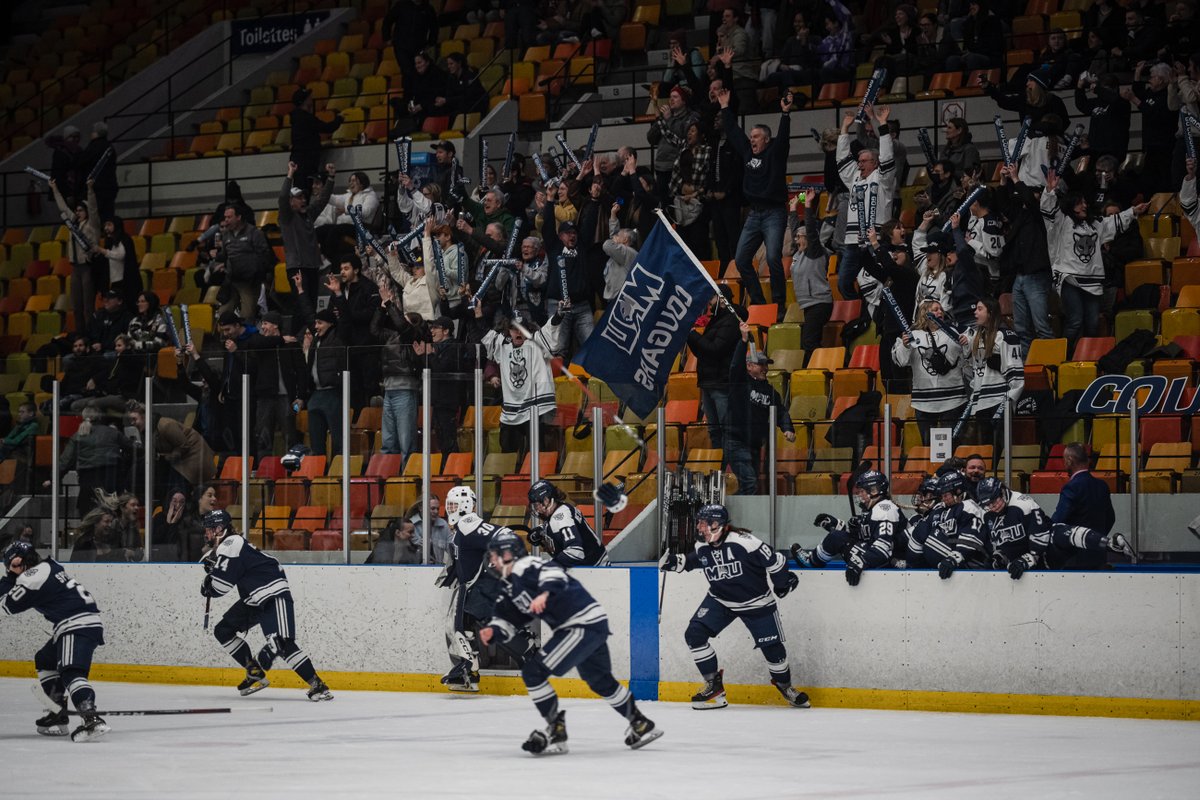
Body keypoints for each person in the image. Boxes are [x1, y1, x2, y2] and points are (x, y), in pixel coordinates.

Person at [481, 530, 662, 753]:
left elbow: (554, 574)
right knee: (599, 680)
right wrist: (494, 632)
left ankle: (556, 728)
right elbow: (509, 620)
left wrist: (544, 594)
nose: (491, 560)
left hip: (579, 626)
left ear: (510, 554)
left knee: (533, 673)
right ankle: (640, 723)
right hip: (592, 623)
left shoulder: (526, 565)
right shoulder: (508, 587)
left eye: (496, 554)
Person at [660, 503, 807, 710]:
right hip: (720, 599)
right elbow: (696, 559)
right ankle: (714, 687)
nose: (700, 528)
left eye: (704, 523)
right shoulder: (702, 544)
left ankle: (785, 686)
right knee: (694, 635)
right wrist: (675, 562)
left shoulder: (745, 542)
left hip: (756, 602)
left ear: (717, 524)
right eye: (699, 523)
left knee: (772, 649)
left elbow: (777, 561)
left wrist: (781, 585)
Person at [200, 510, 333, 701]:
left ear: (220, 528)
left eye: (209, 529)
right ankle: (254, 670)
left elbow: (221, 587)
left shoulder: (231, 543)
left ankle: (318, 685)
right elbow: (229, 575)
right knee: (223, 631)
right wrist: (213, 575)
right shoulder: (230, 545)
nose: (207, 534)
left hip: (272, 594)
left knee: (282, 642)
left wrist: (209, 585)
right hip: (254, 598)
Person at [2, 541, 109, 742]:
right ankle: (58, 712)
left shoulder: (32, 577)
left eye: (12, 565)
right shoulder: (48, 566)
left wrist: (8, 579)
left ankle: (91, 718)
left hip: (76, 624)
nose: (11, 571)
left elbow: (7, 606)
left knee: (71, 672)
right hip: (77, 623)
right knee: (45, 659)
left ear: (19, 561)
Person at [435, 486, 534, 692]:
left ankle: (527, 649)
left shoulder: (467, 522)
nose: (451, 509)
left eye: (455, 505)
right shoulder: (459, 530)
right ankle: (468, 672)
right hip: (472, 586)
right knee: (461, 628)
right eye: (450, 505)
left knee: (459, 628)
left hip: (480, 586)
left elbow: (505, 535)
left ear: (466, 506)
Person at [1041, 169, 1147, 347]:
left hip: (1092, 281)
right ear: (1070, 205)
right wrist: (1050, 192)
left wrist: (1134, 211)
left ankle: (1088, 358)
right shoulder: (1061, 222)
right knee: (1075, 321)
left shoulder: (1094, 224)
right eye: (1080, 203)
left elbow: (1113, 222)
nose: (1084, 206)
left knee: (1092, 323)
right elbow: (1048, 209)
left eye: (1084, 202)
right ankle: (1064, 358)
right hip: (1069, 278)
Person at [975, 478, 1136, 579]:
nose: (992, 506)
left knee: (1061, 532)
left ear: (1002, 491)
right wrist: (998, 558)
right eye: (987, 504)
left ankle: (1109, 543)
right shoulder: (987, 515)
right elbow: (1000, 544)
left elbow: (1041, 534)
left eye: (994, 500)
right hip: (1022, 561)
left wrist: (1029, 558)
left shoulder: (1022, 504)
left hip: (1045, 552)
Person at [722, 89, 794, 310]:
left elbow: (783, 139)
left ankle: (779, 304)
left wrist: (785, 114)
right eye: (751, 136)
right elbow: (734, 132)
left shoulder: (775, 153)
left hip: (774, 212)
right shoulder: (747, 153)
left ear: (766, 139)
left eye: (755, 136)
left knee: (773, 258)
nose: (751, 139)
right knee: (741, 260)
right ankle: (761, 303)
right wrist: (725, 108)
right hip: (754, 213)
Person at [790, 470, 905, 585]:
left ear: (874, 490)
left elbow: (883, 548)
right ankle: (813, 560)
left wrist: (860, 561)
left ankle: (811, 561)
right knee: (836, 536)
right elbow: (865, 538)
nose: (859, 495)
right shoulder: (875, 509)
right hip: (883, 557)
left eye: (862, 491)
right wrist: (836, 525)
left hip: (891, 562)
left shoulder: (885, 510)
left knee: (836, 538)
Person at [726, 323, 795, 495]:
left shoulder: (771, 391)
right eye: (761, 365)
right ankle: (721, 515)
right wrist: (743, 341)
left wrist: (787, 428)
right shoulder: (741, 382)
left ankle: (729, 516)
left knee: (751, 485)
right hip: (736, 441)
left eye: (766, 365)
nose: (765, 368)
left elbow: (781, 411)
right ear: (749, 366)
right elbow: (735, 366)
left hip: (755, 445)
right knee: (750, 484)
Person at [836, 105, 897, 301]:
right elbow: (842, 158)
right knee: (843, 283)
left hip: (876, 240)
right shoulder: (854, 178)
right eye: (859, 161)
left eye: (864, 161)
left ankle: (878, 312)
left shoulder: (883, 179)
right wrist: (844, 130)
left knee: (879, 280)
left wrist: (883, 125)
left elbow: (887, 155)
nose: (859, 164)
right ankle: (861, 311)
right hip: (853, 242)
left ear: (875, 163)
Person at [891, 298, 967, 445]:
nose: (939, 312)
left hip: (953, 399)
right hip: (924, 402)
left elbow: (969, 356)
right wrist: (905, 346)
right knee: (928, 446)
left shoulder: (955, 332)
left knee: (951, 445)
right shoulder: (912, 334)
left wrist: (966, 342)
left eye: (941, 309)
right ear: (924, 313)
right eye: (934, 309)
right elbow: (901, 361)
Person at [958, 297, 1024, 446]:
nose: (975, 312)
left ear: (991, 313)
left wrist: (1010, 399)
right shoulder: (976, 337)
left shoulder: (1006, 336)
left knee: (1002, 446)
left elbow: (1016, 371)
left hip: (1000, 399)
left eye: (980, 309)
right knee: (987, 447)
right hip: (982, 401)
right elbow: (973, 368)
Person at [687, 285, 741, 450]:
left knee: (726, 429)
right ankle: (720, 465)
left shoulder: (731, 321)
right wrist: (689, 336)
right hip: (709, 381)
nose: (709, 302)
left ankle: (729, 466)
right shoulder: (716, 320)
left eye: (712, 298)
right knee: (714, 430)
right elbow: (703, 351)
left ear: (722, 300)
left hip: (721, 382)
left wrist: (692, 335)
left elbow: (715, 349)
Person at [1051, 443, 1119, 568]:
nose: (1064, 463)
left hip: (1075, 556)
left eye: (1064, 459)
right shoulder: (1102, 485)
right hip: (1098, 554)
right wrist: (1096, 539)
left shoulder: (1071, 487)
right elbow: (1111, 518)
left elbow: (1059, 519)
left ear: (1069, 460)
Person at [49, 177, 103, 328]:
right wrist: (55, 189)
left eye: (80, 210)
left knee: (88, 307)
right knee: (76, 307)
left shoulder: (92, 225)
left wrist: (90, 190)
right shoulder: (73, 224)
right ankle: (80, 335)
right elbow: (63, 207)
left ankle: (91, 335)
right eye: (76, 210)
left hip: (87, 268)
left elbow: (93, 208)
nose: (78, 213)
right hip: (75, 269)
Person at [280, 161, 335, 302]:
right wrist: (290, 174)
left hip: (312, 266)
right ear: (291, 202)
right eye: (299, 198)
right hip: (297, 268)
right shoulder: (287, 217)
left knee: (311, 303)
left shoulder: (309, 214)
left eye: (304, 197)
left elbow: (323, 199)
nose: (304, 200)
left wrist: (331, 177)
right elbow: (282, 197)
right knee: (302, 306)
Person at [527, 479, 609, 567]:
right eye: (535, 505)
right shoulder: (559, 510)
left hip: (595, 569)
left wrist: (550, 566)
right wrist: (541, 530)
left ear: (548, 499)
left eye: (539, 504)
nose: (538, 509)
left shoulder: (561, 516)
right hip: (589, 567)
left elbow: (575, 552)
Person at [928, 471, 988, 579]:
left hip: (974, 564)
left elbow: (970, 540)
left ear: (958, 491)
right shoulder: (945, 508)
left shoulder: (970, 507)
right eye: (942, 496)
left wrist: (953, 559)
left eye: (946, 495)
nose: (943, 499)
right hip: (959, 559)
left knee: (932, 538)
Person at [289, 88, 342, 190]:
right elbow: (327, 128)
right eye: (308, 97)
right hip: (306, 161)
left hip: (300, 158)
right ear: (304, 101)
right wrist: (339, 119)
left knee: (300, 189)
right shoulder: (305, 118)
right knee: (304, 190)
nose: (311, 99)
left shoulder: (297, 117)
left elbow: (305, 138)